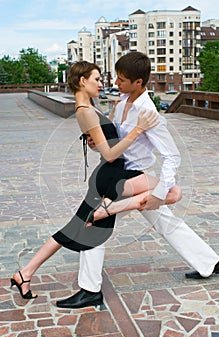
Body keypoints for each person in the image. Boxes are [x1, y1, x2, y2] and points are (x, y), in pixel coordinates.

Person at [55, 52, 219, 309]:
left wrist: (161, 191)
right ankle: (210, 262)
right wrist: (95, 144)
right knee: (167, 223)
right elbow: (113, 143)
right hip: (120, 173)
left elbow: (172, 155)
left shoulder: (148, 112)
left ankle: (90, 290)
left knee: (94, 224)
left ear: (139, 82)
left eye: (122, 80)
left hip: (133, 178)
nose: (117, 83)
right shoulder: (122, 102)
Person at [10, 61, 180, 301]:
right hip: (112, 176)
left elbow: (106, 141)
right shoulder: (85, 111)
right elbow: (111, 154)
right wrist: (138, 130)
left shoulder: (90, 107)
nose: (102, 84)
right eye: (97, 79)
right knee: (171, 192)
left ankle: (25, 273)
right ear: (83, 81)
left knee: (73, 228)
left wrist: (109, 125)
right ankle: (107, 211)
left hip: (110, 175)